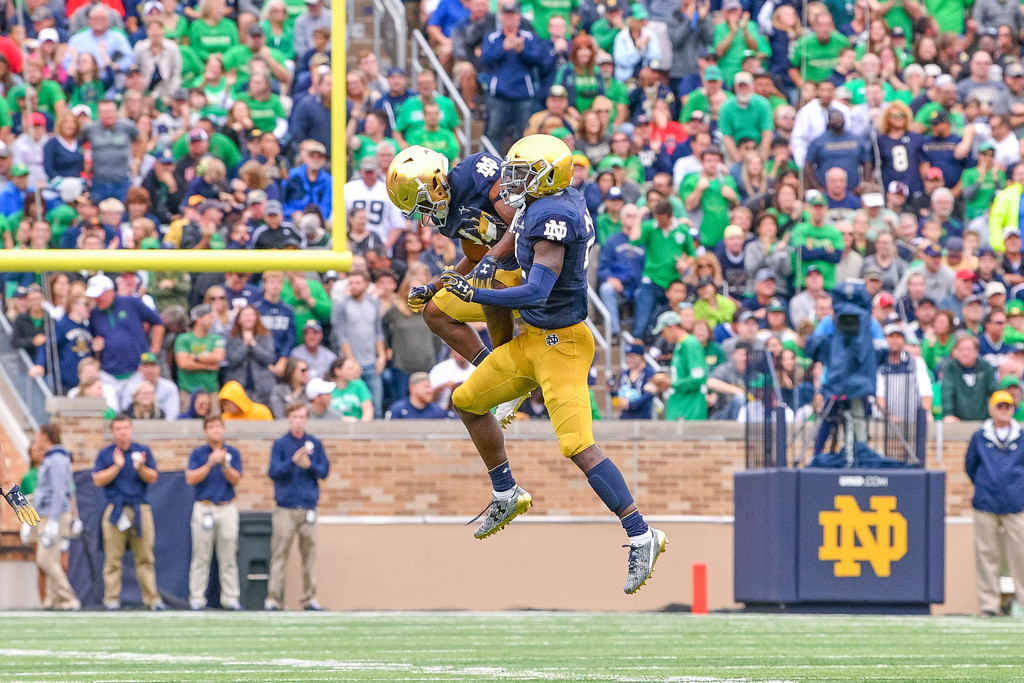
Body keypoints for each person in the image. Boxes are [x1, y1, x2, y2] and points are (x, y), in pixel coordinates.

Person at [439, 134, 667, 595]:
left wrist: (477, 293)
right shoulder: (544, 199)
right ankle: (505, 491)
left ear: (546, 177)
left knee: (577, 447)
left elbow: (536, 291)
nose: (510, 182)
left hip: (562, 344)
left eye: (521, 174)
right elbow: (513, 232)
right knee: (465, 400)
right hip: (531, 341)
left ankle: (642, 534)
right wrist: (485, 265)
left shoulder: (554, 215)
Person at [385, 146, 526, 427]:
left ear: (436, 183)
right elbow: (475, 256)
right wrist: (434, 286)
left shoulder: (475, 174)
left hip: (535, 269)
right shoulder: (449, 215)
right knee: (434, 312)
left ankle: (508, 371)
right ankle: (497, 373)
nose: (424, 216)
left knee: (486, 285)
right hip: (502, 269)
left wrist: (493, 253)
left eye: (423, 204)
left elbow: (524, 221)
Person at [91, 414, 165, 611]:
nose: (122, 432)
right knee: (113, 558)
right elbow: (97, 480)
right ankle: (112, 599)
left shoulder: (142, 451)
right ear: (113, 432)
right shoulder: (106, 454)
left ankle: (152, 599)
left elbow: (153, 477)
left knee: (145, 557)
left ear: (131, 429)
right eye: (118, 428)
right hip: (115, 508)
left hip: (139, 506)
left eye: (125, 428)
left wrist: (140, 467)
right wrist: (116, 466)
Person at [965, 391, 1024, 617]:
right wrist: (984, 485)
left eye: (1008, 406)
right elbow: (970, 467)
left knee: (1020, 556)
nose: (1004, 410)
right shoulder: (980, 437)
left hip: (1016, 503)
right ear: (991, 409)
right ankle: (989, 605)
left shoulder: (1021, 436)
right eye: (1000, 406)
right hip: (986, 503)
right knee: (987, 556)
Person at [265, 403, 330, 611]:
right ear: (288, 418)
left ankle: (309, 598)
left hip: (309, 507)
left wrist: (309, 466)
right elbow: (273, 472)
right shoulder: (281, 444)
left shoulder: (315, 443)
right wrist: (292, 462)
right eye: (295, 417)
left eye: (302, 417)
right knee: (279, 555)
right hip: (285, 508)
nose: (298, 421)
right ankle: (273, 599)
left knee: (309, 556)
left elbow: (324, 471)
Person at [185, 415, 243, 611]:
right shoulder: (199, 453)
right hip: (204, 507)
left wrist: (225, 464)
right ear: (205, 431)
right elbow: (191, 478)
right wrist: (210, 464)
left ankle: (231, 598)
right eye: (211, 427)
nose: (215, 430)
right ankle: (197, 598)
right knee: (201, 556)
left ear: (224, 429)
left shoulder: (232, 452)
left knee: (228, 557)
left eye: (218, 426)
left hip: (227, 507)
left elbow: (236, 480)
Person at [85, 274, 165, 395]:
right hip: (109, 373)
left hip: (136, 370)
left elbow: (158, 322)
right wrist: (95, 346)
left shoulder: (131, 302)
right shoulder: (94, 314)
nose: (97, 299)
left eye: (99, 295)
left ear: (110, 291)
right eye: (94, 297)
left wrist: (154, 349)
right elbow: (94, 338)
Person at [31, 424, 79, 611]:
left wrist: (53, 519)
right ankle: (53, 599)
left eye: (38, 435)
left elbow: (60, 490)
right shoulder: (53, 458)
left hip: (54, 513)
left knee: (46, 560)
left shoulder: (57, 459)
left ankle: (68, 598)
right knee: (50, 559)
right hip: (48, 513)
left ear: (45, 437)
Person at [942, 333, 998, 422]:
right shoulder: (950, 368)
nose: (965, 353)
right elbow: (947, 393)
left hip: (984, 420)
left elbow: (994, 392)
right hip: (958, 422)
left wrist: (995, 414)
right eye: (961, 350)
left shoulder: (986, 367)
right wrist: (948, 414)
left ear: (976, 351)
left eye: (969, 350)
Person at [386, 371, 457, 419]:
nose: (430, 390)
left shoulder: (437, 411)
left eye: (430, 387)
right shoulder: (398, 409)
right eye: (426, 386)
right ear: (412, 388)